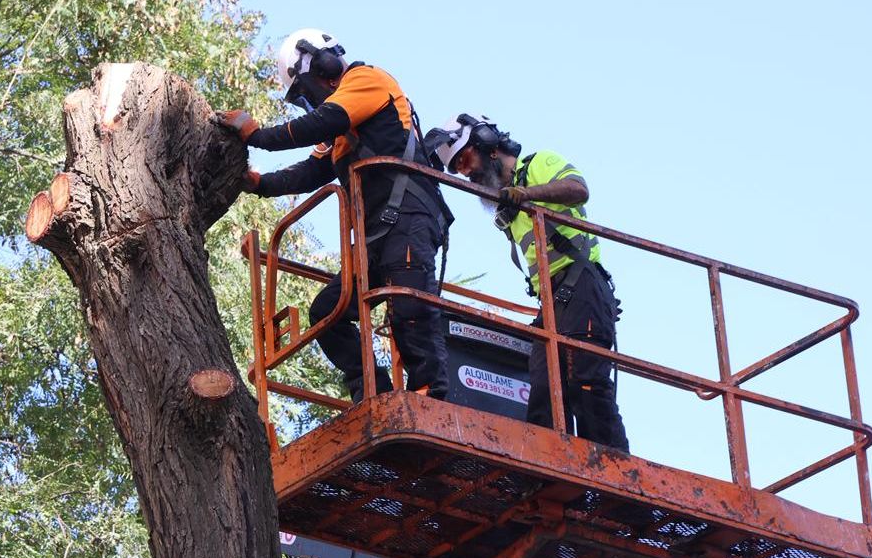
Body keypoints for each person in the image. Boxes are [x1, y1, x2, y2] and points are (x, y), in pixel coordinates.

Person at [216, 29, 453, 404]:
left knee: (409, 307)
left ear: (322, 64)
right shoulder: (342, 129)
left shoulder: (366, 81)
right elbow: (310, 172)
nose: (309, 101)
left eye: (305, 91)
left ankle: (432, 397)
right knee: (329, 311)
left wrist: (257, 135)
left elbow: (319, 123)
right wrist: (258, 183)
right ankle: (375, 392)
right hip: (376, 235)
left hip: (409, 217)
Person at [434, 114, 629, 451]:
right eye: (459, 169)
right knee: (543, 392)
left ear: (488, 146)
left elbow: (578, 189)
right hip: (554, 301)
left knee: (586, 383)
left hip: (582, 286)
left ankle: (619, 474)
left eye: (465, 160)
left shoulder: (540, 163)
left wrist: (526, 193)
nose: (467, 173)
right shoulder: (507, 205)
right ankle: (549, 471)